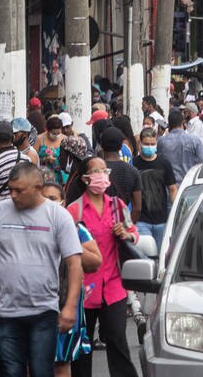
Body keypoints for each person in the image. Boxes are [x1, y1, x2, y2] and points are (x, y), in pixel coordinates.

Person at [0, 163, 83, 376]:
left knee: (41, 370)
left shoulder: (58, 216)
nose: (13, 195)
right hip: (4, 311)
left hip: (43, 311)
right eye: (10, 189)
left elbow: (74, 264)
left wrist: (70, 306)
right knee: (11, 371)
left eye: (19, 190)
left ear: (37, 187)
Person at [67, 157, 139, 377]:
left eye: (104, 171)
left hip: (114, 286)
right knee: (83, 348)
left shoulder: (117, 206)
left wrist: (126, 234)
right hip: (84, 289)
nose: (102, 175)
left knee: (118, 341)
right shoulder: (74, 211)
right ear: (85, 178)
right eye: (96, 171)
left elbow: (134, 233)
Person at [42, 182, 101, 377]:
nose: (48, 204)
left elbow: (95, 261)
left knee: (61, 363)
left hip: (65, 303)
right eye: (44, 199)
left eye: (53, 199)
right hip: (34, 305)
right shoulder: (30, 227)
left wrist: (68, 241)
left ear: (63, 201)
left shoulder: (76, 229)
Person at [132, 128, 177, 249]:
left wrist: (174, 210)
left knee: (160, 254)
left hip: (161, 220)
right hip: (141, 220)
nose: (149, 147)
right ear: (140, 144)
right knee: (146, 253)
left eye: (152, 144)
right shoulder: (133, 164)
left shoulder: (164, 164)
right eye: (146, 144)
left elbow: (172, 189)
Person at [99, 127, 142, 214]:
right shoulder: (133, 171)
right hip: (124, 218)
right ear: (121, 146)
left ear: (102, 146)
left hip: (101, 219)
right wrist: (129, 222)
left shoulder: (97, 171)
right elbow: (137, 208)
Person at [156, 110, 203, 184]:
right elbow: (202, 164)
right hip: (189, 185)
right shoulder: (194, 140)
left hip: (168, 185)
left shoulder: (161, 141)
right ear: (183, 123)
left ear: (169, 125)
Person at [36, 116, 67, 184]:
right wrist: (45, 159)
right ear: (48, 130)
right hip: (44, 176)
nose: (56, 136)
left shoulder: (65, 139)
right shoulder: (40, 139)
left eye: (58, 133)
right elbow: (34, 158)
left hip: (61, 177)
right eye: (54, 133)